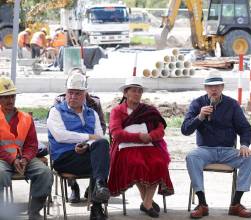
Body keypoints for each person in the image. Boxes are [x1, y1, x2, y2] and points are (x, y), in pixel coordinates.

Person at [181, 71, 251, 218]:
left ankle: (236, 204)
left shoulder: (232, 104)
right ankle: (202, 204)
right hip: (205, 150)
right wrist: (200, 116)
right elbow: (185, 130)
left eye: (217, 86)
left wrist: (244, 145)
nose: (213, 89)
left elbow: (245, 128)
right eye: (210, 86)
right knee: (192, 157)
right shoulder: (197, 103)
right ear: (205, 88)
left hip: (228, 150)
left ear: (222, 87)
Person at [47, 72, 110, 220]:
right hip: (65, 158)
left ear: (85, 94)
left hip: (87, 156)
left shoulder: (92, 113)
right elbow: (60, 135)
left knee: (101, 148)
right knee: (101, 161)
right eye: (70, 93)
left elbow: (99, 137)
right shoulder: (55, 111)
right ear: (66, 92)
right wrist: (88, 137)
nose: (73, 96)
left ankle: (99, 189)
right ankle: (97, 205)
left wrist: (86, 145)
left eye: (77, 93)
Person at [108, 77, 174, 218]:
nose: (137, 94)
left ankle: (147, 202)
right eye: (133, 91)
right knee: (136, 164)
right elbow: (116, 133)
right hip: (125, 147)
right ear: (126, 93)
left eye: (139, 91)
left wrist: (150, 137)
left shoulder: (149, 110)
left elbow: (160, 130)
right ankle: (148, 203)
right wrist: (138, 136)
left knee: (158, 163)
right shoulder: (117, 111)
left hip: (148, 145)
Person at [0, 77, 53, 220]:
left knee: (45, 173)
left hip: (24, 158)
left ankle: (34, 213)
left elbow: (32, 144)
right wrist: (12, 160)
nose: (10, 100)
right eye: (5, 97)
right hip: (3, 159)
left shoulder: (25, 118)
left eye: (12, 96)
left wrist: (25, 158)